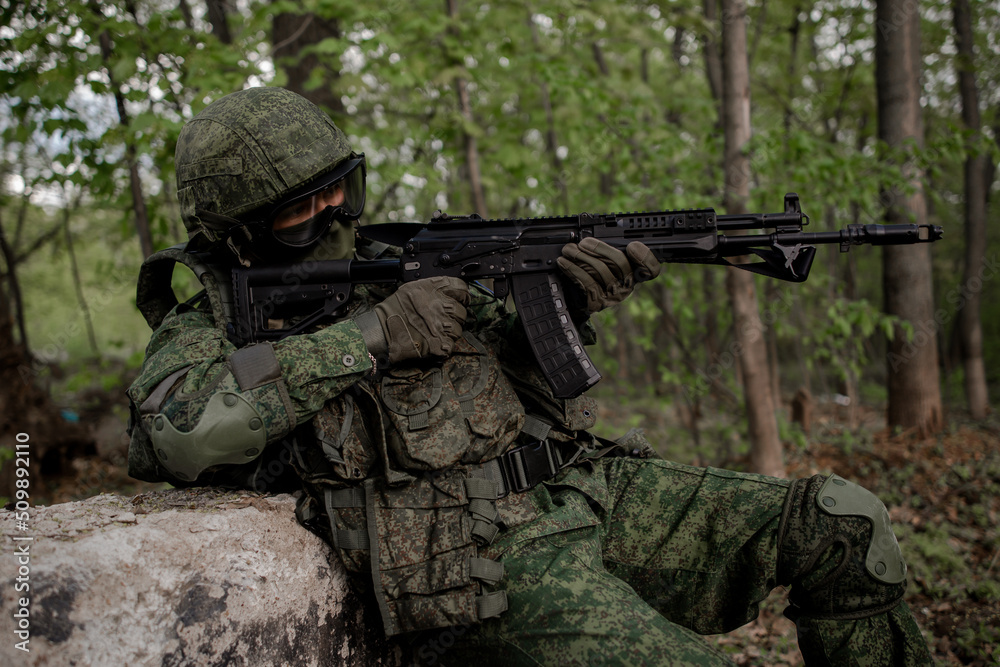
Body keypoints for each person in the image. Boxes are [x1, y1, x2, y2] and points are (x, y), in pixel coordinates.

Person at [126, 86, 932, 665]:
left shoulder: (400, 263)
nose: (338, 214)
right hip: (479, 565)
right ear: (237, 233)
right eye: (303, 209)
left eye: (344, 188)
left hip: (581, 493)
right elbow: (181, 433)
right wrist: (371, 334)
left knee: (843, 522)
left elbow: (528, 372)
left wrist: (572, 301)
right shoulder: (215, 323)